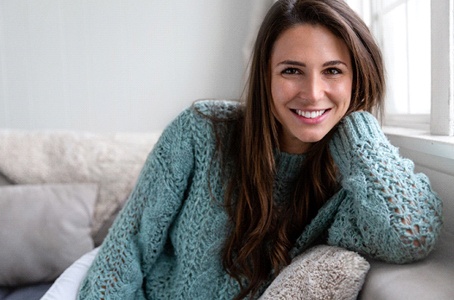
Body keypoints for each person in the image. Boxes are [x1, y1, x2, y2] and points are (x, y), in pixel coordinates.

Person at [78, 0, 443, 299]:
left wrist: (357, 126)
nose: (313, 93)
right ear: (265, 77)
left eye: (333, 71)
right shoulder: (201, 131)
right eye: (291, 71)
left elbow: (411, 236)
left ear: (358, 77)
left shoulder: (350, 182)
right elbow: (124, 255)